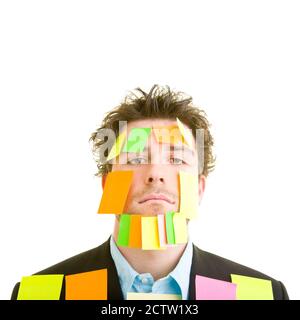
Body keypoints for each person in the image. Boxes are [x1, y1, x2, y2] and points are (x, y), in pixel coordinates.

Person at [11, 85, 289, 300]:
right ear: (108, 187)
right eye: (135, 159)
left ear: (199, 187)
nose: (156, 173)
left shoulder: (260, 295)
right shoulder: (41, 294)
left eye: (177, 159)